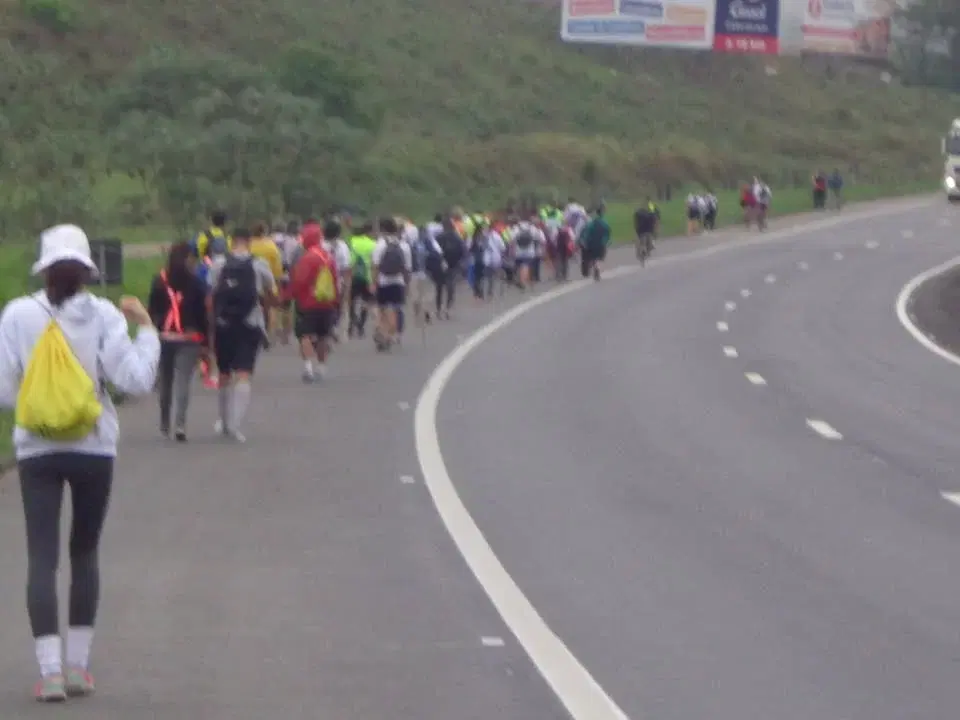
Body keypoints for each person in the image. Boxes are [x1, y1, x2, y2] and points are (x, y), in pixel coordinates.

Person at [0, 224, 159, 701]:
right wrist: (147, 328)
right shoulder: (105, 315)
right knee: (84, 553)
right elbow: (134, 381)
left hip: (36, 450)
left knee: (41, 558)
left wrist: (41, 401)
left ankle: (48, 673)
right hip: (93, 447)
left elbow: (5, 390)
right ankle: (78, 668)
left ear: (43, 268)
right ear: (87, 270)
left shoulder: (16, 315)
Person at [207, 228, 277, 442]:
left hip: (224, 324)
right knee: (244, 373)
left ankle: (223, 420)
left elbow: (211, 295)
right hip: (250, 323)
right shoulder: (260, 264)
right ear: (249, 242)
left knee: (224, 374)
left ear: (231, 242)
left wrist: (211, 325)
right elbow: (272, 292)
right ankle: (236, 426)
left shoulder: (218, 264)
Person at [147, 241, 209, 442]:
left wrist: (155, 328)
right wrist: (205, 342)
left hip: (164, 338)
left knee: (165, 382)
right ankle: (180, 425)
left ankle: (164, 423)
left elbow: (152, 309)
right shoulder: (197, 283)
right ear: (187, 258)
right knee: (183, 381)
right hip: (189, 338)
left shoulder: (159, 280)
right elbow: (203, 314)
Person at [289, 222, 339, 382]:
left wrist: (289, 295)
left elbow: (299, 281)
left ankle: (308, 368)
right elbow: (335, 280)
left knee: (305, 335)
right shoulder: (328, 257)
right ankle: (322, 368)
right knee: (323, 336)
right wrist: (336, 301)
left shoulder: (308, 258)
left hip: (308, 303)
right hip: (327, 302)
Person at [371, 217, 411, 350]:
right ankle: (389, 336)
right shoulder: (404, 246)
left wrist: (373, 282)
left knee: (382, 310)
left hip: (383, 281)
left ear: (383, 230)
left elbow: (376, 266)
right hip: (398, 281)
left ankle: (382, 332)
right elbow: (406, 269)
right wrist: (407, 285)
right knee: (394, 309)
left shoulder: (380, 244)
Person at [321, 220, 353, 340]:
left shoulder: (320, 244)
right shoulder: (342, 246)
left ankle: (325, 328)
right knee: (336, 306)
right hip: (337, 281)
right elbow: (346, 267)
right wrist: (347, 284)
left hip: (320, 281)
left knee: (322, 305)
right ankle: (332, 326)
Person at [347, 223, 377, 337]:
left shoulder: (352, 242)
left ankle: (351, 323)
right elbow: (374, 262)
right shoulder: (373, 244)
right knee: (366, 301)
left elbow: (350, 262)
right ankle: (361, 325)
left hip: (355, 276)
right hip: (367, 277)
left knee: (352, 301)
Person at [433, 217, 463, 319]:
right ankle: (447, 308)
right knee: (450, 287)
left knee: (439, 288)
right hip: (452, 265)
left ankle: (438, 309)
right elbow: (462, 250)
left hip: (440, 265)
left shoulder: (438, 237)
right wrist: (459, 262)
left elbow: (434, 252)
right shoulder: (456, 237)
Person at [579, 204, 612, 280]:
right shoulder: (605, 224)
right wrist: (606, 241)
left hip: (591, 243)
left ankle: (594, 268)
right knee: (599, 258)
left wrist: (584, 241)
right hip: (601, 243)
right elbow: (607, 233)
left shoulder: (592, 223)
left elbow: (587, 232)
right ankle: (597, 268)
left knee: (593, 258)